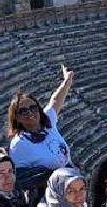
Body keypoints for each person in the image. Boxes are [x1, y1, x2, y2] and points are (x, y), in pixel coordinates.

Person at [6, 66, 77, 195]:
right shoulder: (19, 144)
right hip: (48, 194)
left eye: (33, 107)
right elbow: (21, 179)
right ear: (16, 118)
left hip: (71, 183)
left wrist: (67, 80)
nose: (30, 113)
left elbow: (56, 100)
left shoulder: (48, 123)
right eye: (23, 111)